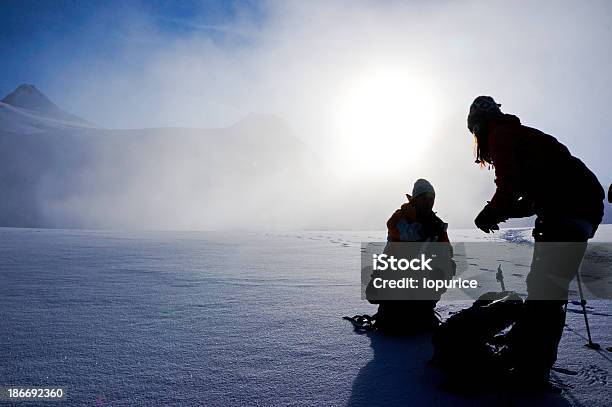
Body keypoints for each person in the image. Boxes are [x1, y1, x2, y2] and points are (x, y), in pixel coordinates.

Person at [467, 96, 605, 387]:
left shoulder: (500, 134)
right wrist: (505, 212)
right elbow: (533, 195)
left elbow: (509, 184)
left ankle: (530, 367)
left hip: (567, 210)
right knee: (546, 287)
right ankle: (526, 348)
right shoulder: (522, 135)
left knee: (546, 288)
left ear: (478, 126)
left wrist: (490, 212)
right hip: (581, 208)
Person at [369, 178, 454, 334]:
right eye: (424, 199)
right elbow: (400, 231)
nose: (429, 203)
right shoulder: (401, 216)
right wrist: (423, 231)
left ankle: (422, 307)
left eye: (431, 199)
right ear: (415, 199)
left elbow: (448, 251)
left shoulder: (436, 224)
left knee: (447, 265)